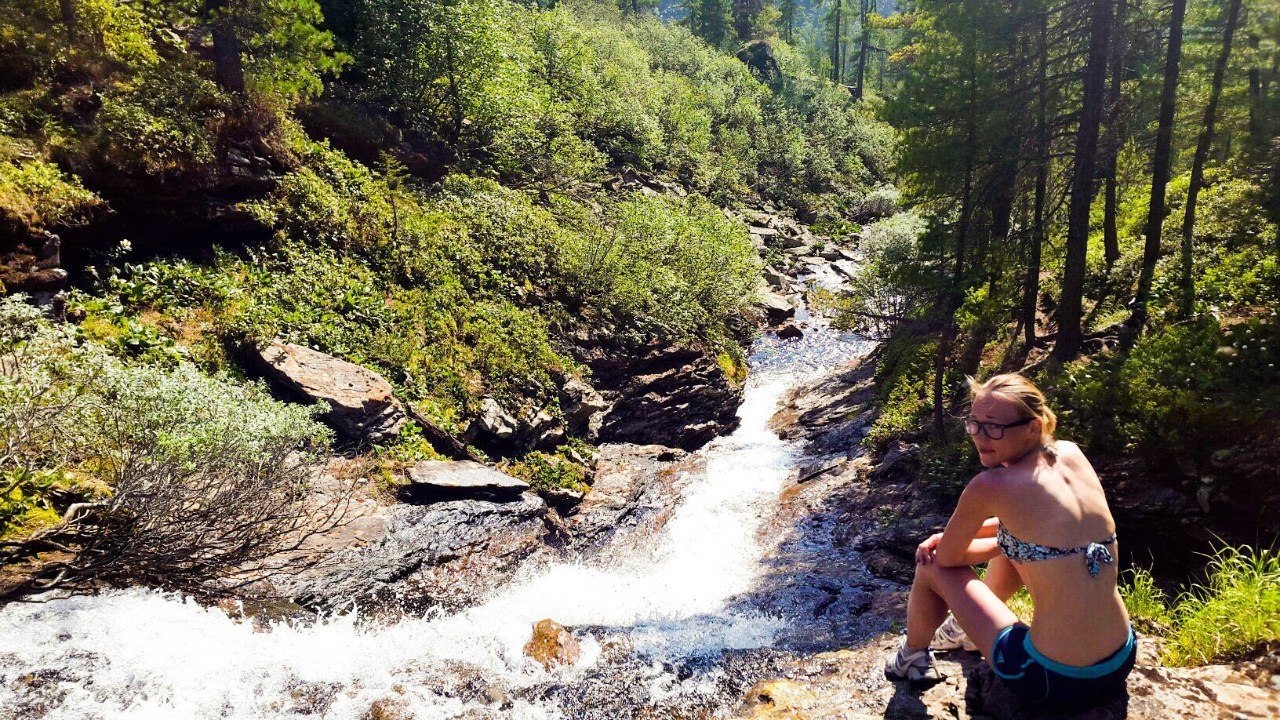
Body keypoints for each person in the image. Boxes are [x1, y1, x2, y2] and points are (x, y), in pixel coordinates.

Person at [884, 373, 1136, 709]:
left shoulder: (991, 484)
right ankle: (964, 633)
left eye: (994, 427)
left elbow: (947, 559)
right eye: (974, 423)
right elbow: (1038, 529)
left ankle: (911, 657)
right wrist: (995, 540)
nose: (979, 437)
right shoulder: (1071, 454)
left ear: (1033, 427)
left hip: (1052, 678)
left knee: (929, 564)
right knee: (1012, 548)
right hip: (1120, 659)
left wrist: (969, 543)